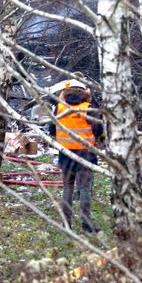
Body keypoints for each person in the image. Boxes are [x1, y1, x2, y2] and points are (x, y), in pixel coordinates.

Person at [48, 85, 103, 235]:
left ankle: (67, 224)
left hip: (65, 154)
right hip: (85, 154)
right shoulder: (89, 108)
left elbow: (51, 130)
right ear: (85, 95)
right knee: (84, 188)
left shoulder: (59, 108)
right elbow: (99, 130)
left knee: (68, 187)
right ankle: (86, 224)